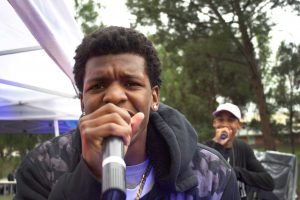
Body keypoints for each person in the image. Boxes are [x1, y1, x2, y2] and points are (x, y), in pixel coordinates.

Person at [14, 26, 240, 200]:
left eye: (131, 83)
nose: (113, 96)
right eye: (98, 86)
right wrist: (89, 176)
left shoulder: (211, 172)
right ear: (82, 100)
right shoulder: (42, 167)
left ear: (154, 97)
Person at [205, 103, 275, 200]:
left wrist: (237, 172)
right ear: (214, 123)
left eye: (230, 120)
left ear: (239, 125)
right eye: (221, 120)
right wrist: (218, 145)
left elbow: (268, 182)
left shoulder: (243, 148)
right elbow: (209, 180)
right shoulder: (204, 148)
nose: (225, 124)